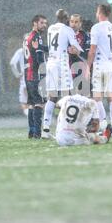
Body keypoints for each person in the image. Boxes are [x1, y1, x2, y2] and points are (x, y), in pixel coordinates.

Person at [42, 9, 82, 138]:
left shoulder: (51, 29)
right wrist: (81, 52)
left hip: (51, 63)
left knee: (52, 97)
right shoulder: (67, 29)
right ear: (66, 19)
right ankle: (70, 126)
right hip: (61, 64)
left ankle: (46, 129)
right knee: (69, 95)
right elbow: (75, 46)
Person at [86, 4, 112, 136]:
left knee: (97, 98)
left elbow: (93, 50)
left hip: (101, 65)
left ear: (99, 12)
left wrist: (88, 67)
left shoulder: (96, 28)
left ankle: (105, 127)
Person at [23, 15, 48, 138]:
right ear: (35, 23)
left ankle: (31, 131)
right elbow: (38, 58)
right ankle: (38, 132)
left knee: (32, 104)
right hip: (35, 74)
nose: (44, 25)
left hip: (27, 75)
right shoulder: (37, 37)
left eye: (45, 23)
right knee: (39, 103)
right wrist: (44, 72)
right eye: (42, 23)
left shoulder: (28, 37)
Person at [69, 14, 91, 95]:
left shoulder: (84, 36)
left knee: (82, 96)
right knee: (66, 96)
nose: (73, 24)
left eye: (76, 22)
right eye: (71, 22)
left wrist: (78, 52)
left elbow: (87, 55)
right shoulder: (64, 35)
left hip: (80, 69)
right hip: (66, 69)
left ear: (80, 24)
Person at [10, 40, 28, 117]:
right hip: (35, 79)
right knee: (35, 102)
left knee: (24, 102)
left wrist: (18, 74)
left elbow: (12, 63)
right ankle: (35, 120)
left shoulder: (20, 51)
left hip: (25, 79)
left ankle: (32, 120)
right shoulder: (36, 50)